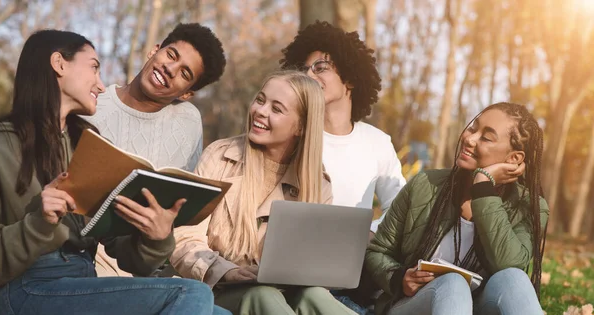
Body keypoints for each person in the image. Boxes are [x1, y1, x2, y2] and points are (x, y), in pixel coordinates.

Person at [0, 29, 229, 315]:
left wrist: (156, 237)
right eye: (94, 68)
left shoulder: (87, 142)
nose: (102, 85)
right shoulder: (0, 146)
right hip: (27, 286)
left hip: (83, 281)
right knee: (191, 293)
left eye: (184, 73)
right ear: (59, 63)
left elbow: (121, 248)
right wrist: (39, 223)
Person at [169, 70, 356, 315]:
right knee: (262, 295)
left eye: (276, 109)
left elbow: (316, 269)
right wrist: (226, 270)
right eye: (260, 100)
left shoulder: (318, 184)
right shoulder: (220, 157)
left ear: (301, 126)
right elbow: (184, 237)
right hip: (218, 289)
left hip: (285, 294)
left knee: (315, 295)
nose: (260, 111)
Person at [365, 102, 549, 315]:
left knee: (514, 278)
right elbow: (377, 252)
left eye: (486, 137)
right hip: (414, 305)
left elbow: (508, 263)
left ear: (514, 159)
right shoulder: (425, 185)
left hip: (480, 307)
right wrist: (399, 277)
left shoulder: (528, 206)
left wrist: (483, 187)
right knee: (453, 283)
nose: (469, 138)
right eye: (473, 127)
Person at [83, 22, 226, 277]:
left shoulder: (188, 122)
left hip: (147, 257)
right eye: (171, 55)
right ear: (154, 50)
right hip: (88, 253)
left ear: (187, 94)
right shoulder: (92, 103)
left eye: (185, 73)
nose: (169, 69)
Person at [280, 21, 406, 239]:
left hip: (356, 260)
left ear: (349, 79)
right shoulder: (292, 134)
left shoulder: (377, 143)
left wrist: (370, 233)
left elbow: (400, 206)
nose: (309, 76)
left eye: (320, 68)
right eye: (304, 70)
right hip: (296, 247)